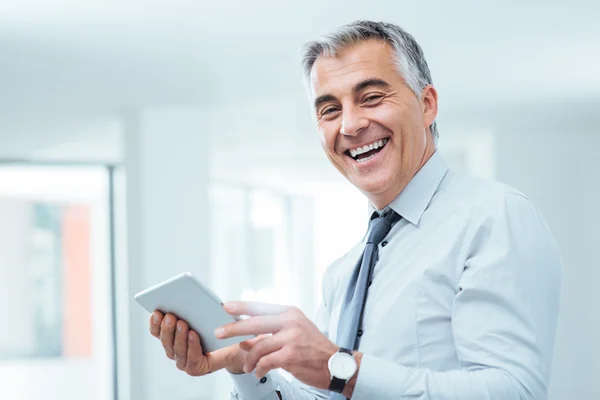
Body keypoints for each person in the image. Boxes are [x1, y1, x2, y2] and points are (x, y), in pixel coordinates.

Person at [149, 20, 563, 399]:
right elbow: (331, 392)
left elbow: (514, 391)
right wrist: (248, 367)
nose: (349, 125)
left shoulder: (494, 217)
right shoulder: (343, 274)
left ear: (428, 104)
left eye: (372, 97)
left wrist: (339, 367)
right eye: (329, 109)